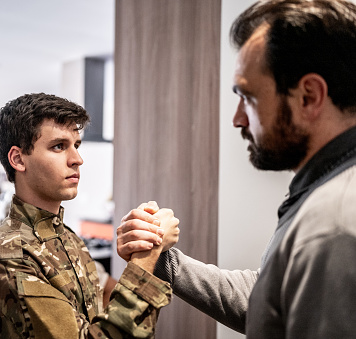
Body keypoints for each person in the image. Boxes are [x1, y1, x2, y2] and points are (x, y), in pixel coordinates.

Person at [117, 0, 356, 337]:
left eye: (249, 98)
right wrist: (163, 261)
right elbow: (267, 299)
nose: (237, 119)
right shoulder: (323, 193)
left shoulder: (333, 228)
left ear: (309, 96)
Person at [0, 93, 180, 338]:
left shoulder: (68, 238)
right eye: (59, 146)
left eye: (76, 145)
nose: (77, 159)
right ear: (18, 159)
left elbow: (98, 322)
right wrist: (147, 254)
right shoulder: (9, 258)